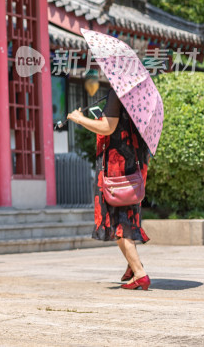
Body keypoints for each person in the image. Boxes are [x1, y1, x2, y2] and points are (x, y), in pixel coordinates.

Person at [67, 89, 152, 290]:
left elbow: (107, 127)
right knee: (128, 216)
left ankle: (139, 273)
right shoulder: (140, 94)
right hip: (134, 164)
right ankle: (133, 266)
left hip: (117, 167)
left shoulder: (118, 93)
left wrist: (79, 119)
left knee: (117, 219)